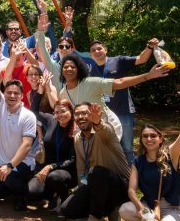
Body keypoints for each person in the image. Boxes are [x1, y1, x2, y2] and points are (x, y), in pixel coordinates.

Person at [35, 10, 170, 143]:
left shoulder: (91, 81)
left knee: (119, 154)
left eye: (73, 67)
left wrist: (148, 75)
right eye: (65, 68)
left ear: (80, 69)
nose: (69, 69)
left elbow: (120, 82)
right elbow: (56, 102)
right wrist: (47, 87)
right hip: (86, 132)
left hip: (108, 128)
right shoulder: (64, 89)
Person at [119, 85, 180, 221]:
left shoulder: (171, 154)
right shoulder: (138, 161)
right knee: (125, 210)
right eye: (145, 136)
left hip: (171, 208)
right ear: (141, 140)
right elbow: (131, 190)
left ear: (160, 138)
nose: (149, 139)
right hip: (148, 205)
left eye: (153, 136)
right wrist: (141, 208)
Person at [60, 102, 130, 221]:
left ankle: (97, 217)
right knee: (67, 210)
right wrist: (82, 194)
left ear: (92, 115)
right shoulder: (77, 138)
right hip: (96, 185)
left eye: (85, 113)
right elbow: (81, 169)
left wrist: (98, 123)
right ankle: (103, 211)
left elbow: (104, 130)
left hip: (120, 186)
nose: (81, 117)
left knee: (97, 172)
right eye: (77, 114)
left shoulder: (105, 130)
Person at [86, 38, 159, 162]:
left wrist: (149, 47)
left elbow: (142, 59)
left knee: (127, 148)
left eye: (99, 48)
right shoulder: (91, 71)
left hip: (123, 111)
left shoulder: (118, 61)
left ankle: (130, 178)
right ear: (90, 55)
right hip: (104, 115)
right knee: (108, 148)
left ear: (105, 49)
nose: (97, 51)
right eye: (93, 50)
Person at [0, 80, 37, 211]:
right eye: (9, 93)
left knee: (9, 177)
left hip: (21, 163)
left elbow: (27, 145)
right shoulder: (3, 107)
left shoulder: (28, 116)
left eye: (16, 93)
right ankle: (8, 187)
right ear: (4, 94)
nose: (12, 96)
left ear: (22, 96)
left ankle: (21, 194)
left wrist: (10, 165)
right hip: (1, 161)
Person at [27, 98, 76, 211]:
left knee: (55, 177)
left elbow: (72, 159)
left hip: (67, 171)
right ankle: (51, 195)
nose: (60, 115)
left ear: (71, 111)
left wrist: (51, 167)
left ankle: (64, 200)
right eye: (57, 112)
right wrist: (39, 92)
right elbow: (34, 110)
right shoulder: (51, 120)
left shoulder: (76, 130)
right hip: (46, 170)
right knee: (32, 193)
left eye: (63, 111)